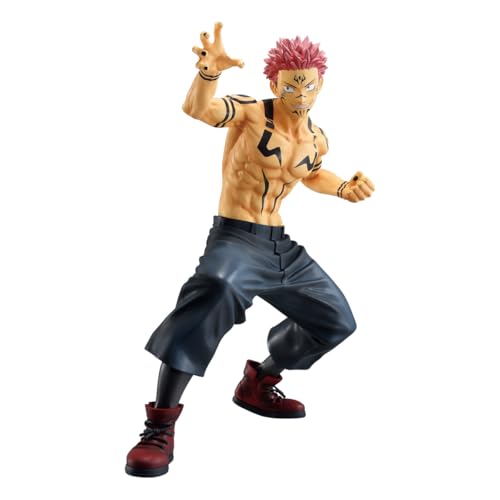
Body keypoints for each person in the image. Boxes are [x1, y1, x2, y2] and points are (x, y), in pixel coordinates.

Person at [125, 22, 375, 477]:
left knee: (337, 321)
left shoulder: (316, 137)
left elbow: (311, 172)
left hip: (280, 248)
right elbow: (199, 109)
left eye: (308, 84)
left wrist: (342, 187)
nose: (300, 94)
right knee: (215, 288)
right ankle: (159, 425)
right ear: (274, 83)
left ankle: (258, 382)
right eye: (291, 85)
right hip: (235, 238)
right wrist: (208, 74)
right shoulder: (251, 113)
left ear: (321, 83)